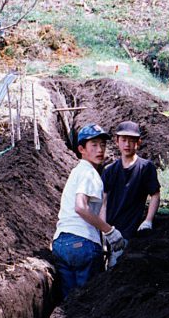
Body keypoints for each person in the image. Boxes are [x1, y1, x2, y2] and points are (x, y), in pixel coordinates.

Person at [52, 124, 125, 298]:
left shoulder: (76, 172)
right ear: (81, 149)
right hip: (83, 244)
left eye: (103, 145)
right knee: (88, 304)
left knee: (69, 305)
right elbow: (80, 206)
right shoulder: (89, 173)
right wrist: (110, 231)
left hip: (61, 243)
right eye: (94, 145)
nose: (100, 150)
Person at [102, 121, 161, 242]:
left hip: (132, 232)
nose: (127, 144)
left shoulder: (146, 168)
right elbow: (103, 201)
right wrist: (104, 230)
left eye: (131, 140)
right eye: (123, 140)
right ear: (116, 141)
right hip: (111, 231)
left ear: (138, 142)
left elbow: (155, 195)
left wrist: (148, 221)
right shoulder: (109, 171)